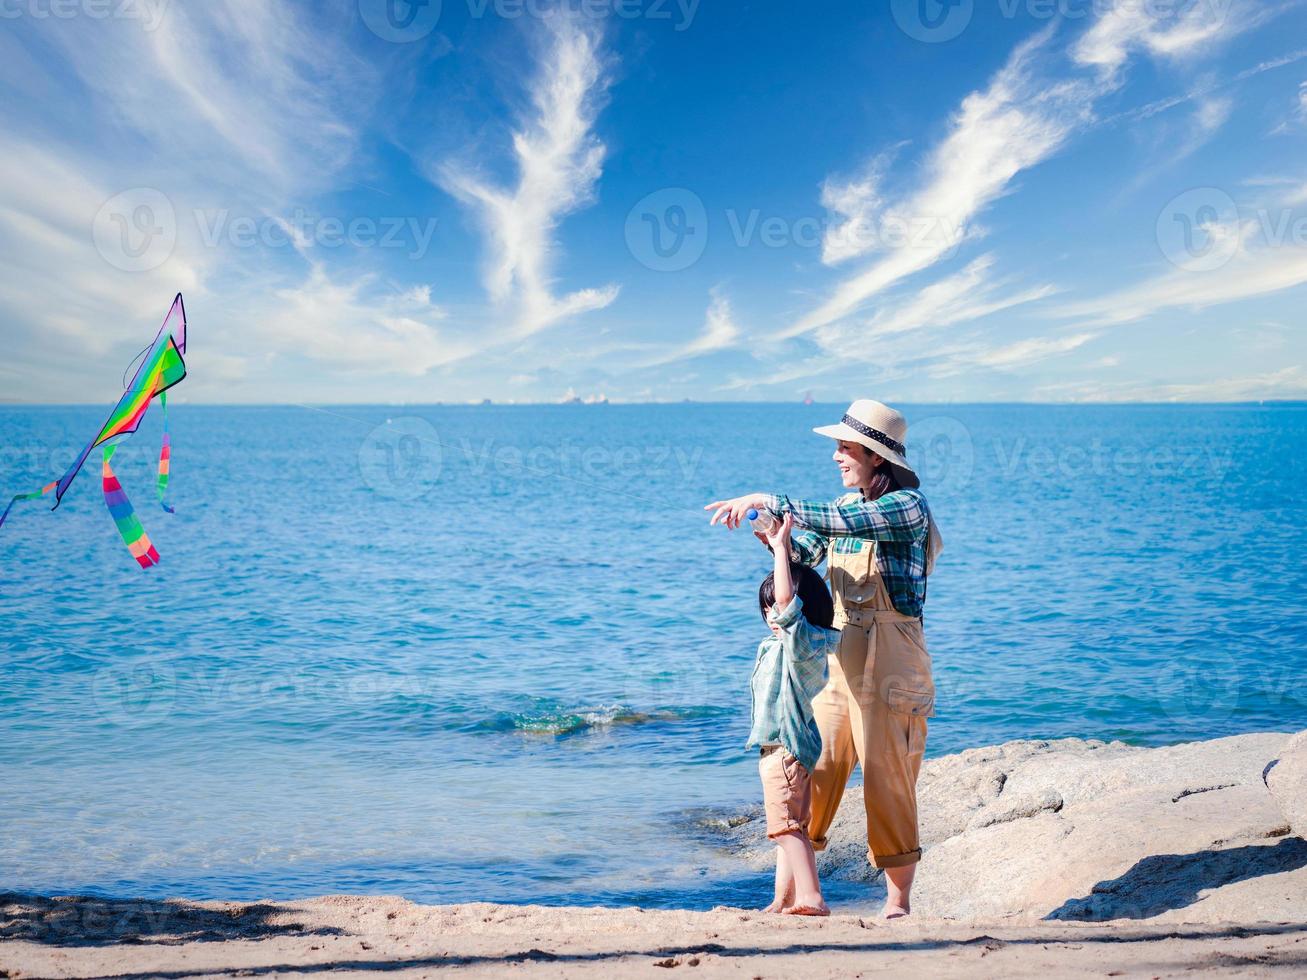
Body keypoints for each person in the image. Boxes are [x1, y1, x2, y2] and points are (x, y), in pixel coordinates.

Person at [706, 399, 942, 919]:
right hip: (838, 658)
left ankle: (898, 904)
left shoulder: (908, 508)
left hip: (892, 659)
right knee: (814, 765)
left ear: (877, 457)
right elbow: (803, 550)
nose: (836, 456)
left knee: (887, 777)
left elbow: (834, 520)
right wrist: (773, 532)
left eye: (846, 447)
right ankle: (789, 897)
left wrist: (767, 496)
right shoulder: (848, 508)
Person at [747, 512, 840, 916]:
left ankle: (812, 898)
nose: (772, 613)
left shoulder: (800, 643)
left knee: (784, 828)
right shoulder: (783, 644)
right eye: (765, 607)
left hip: (785, 749)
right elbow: (783, 604)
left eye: (777, 607)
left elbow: (788, 605)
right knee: (793, 829)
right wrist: (772, 540)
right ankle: (784, 900)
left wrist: (782, 549)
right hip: (785, 749)